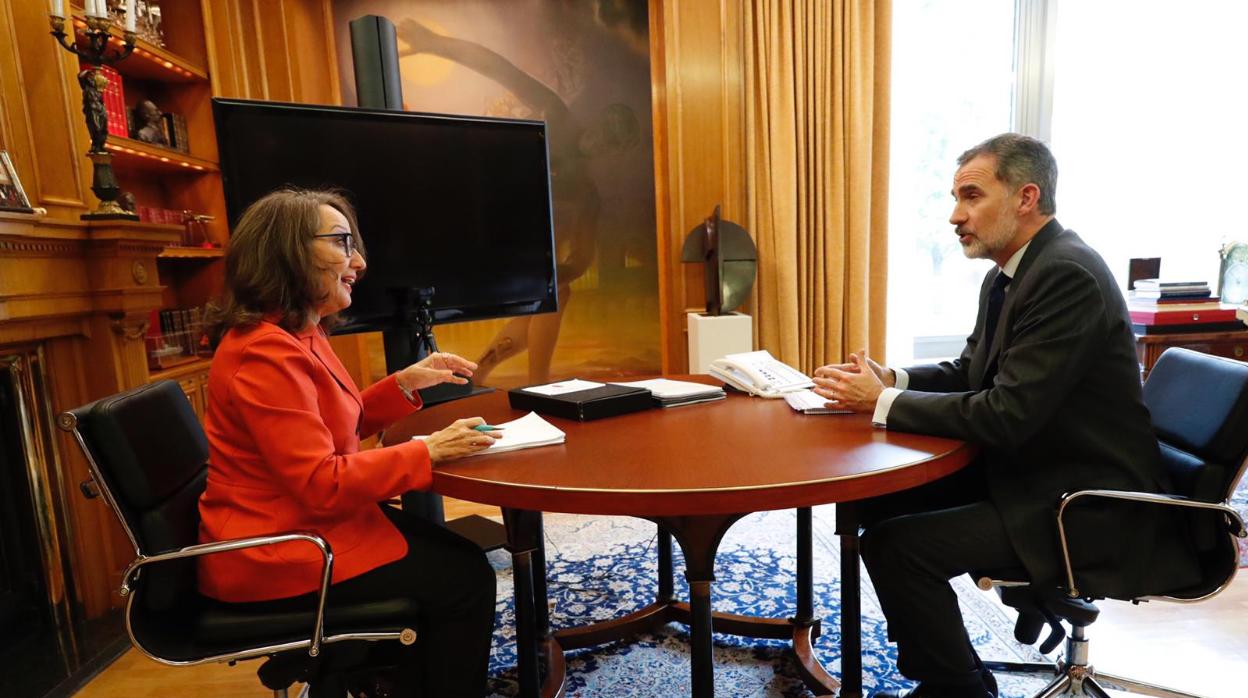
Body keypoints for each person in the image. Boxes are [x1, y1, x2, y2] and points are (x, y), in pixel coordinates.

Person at [813, 134, 1199, 698]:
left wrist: (881, 404)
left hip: (1085, 499)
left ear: (1026, 197)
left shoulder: (1068, 275)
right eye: (954, 197)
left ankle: (960, 687)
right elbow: (973, 370)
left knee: (898, 548)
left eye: (971, 196)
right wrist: (892, 379)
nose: (954, 215)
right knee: (869, 498)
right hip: (1038, 469)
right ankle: (962, 641)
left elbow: (1006, 414)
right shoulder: (1011, 273)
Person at [197, 188, 499, 697]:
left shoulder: (295, 333)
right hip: (279, 551)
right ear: (286, 251)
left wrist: (404, 383)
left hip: (308, 526)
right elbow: (320, 482)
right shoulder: (264, 356)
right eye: (341, 243)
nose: (358, 261)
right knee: (466, 579)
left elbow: (327, 427)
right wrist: (429, 450)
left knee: (458, 559)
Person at [397, 18, 639, 385]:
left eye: (614, 141)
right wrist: (435, 44)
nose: (603, 138)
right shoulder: (555, 114)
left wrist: (552, 275)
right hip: (478, 230)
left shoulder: (586, 193)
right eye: (608, 126)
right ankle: (537, 385)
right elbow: (499, 68)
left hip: (517, 262)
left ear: (614, 152)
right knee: (551, 291)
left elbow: (582, 258)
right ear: (600, 120)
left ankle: (485, 376)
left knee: (555, 291)